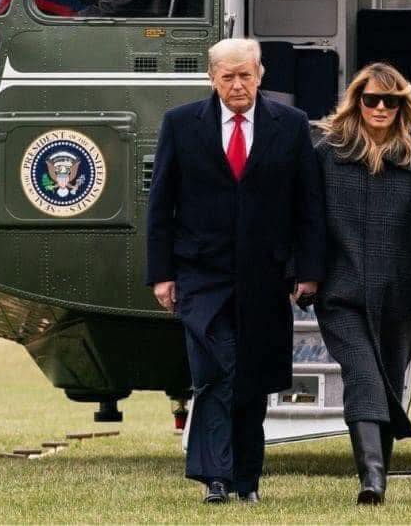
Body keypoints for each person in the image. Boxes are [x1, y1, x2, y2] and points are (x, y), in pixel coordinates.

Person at [146, 38, 325, 504]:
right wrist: (162, 274)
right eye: (228, 76)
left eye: (245, 75)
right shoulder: (180, 124)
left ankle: (246, 480)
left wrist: (308, 270)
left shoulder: (291, 124)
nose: (238, 85)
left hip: (265, 276)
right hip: (201, 275)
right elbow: (161, 204)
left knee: (252, 378)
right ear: (212, 79)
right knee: (215, 370)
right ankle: (216, 478)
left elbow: (308, 205)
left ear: (260, 74)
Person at [315, 62, 411, 505]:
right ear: (357, 103)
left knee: (387, 380)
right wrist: (301, 273)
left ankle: (377, 477)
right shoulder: (327, 155)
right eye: (372, 99)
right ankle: (372, 478)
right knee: (363, 374)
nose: (380, 107)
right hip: (341, 294)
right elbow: (303, 219)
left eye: (391, 100)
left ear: (403, 106)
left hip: (401, 299)